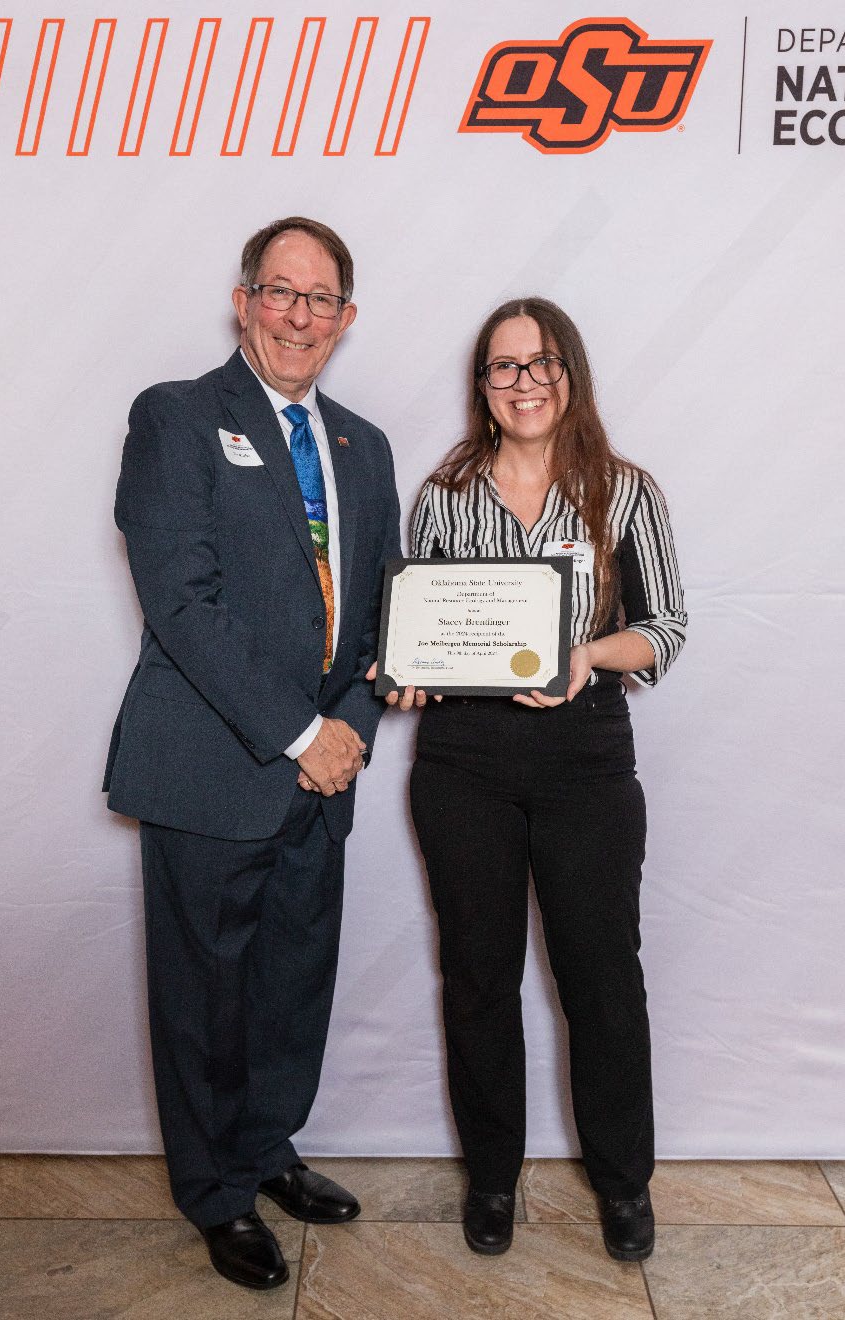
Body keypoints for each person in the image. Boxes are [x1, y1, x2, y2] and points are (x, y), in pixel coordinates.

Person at [103, 217, 400, 1290]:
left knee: (290, 984)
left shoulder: (364, 444)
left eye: (322, 300)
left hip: (325, 779)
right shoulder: (178, 417)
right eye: (281, 292)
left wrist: (352, 731)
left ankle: (267, 1152)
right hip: (212, 769)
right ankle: (216, 1194)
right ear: (244, 301)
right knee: (204, 996)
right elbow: (183, 604)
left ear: (346, 320)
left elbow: (381, 616)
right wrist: (298, 734)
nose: (300, 316)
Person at [391, 297, 686, 1261]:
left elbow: (667, 627)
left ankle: (621, 1181)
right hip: (464, 764)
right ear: (481, 386)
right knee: (476, 976)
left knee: (600, 976)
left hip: (585, 760)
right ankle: (490, 1180)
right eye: (502, 367)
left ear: (571, 374)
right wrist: (408, 668)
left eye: (540, 363)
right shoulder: (442, 495)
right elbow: (423, 627)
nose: (522, 383)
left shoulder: (627, 491)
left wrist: (588, 653)